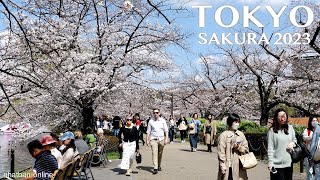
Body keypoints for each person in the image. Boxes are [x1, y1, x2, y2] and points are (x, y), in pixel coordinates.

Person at [217, 113, 249, 180]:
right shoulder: (224, 135)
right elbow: (221, 151)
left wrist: (238, 147)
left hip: (239, 166)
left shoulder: (241, 135)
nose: (237, 124)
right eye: (235, 122)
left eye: (238, 122)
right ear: (230, 122)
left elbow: (246, 150)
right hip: (227, 166)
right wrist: (222, 164)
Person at [267, 108, 296, 180]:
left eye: (284, 116)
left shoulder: (290, 128)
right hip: (276, 165)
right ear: (276, 118)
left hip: (288, 163)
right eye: (280, 116)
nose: (282, 119)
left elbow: (295, 140)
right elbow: (270, 148)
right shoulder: (272, 131)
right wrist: (270, 162)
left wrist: (292, 143)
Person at [146, 108, 169, 175]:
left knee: (160, 153)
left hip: (161, 139)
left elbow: (166, 130)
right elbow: (148, 131)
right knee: (154, 153)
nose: (155, 114)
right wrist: (147, 140)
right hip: (153, 139)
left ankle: (159, 165)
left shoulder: (163, 121)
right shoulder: (151, 121)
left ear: (159, 113)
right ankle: (155, 167)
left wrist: (166, 139)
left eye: (157, 112)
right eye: (154, 113)